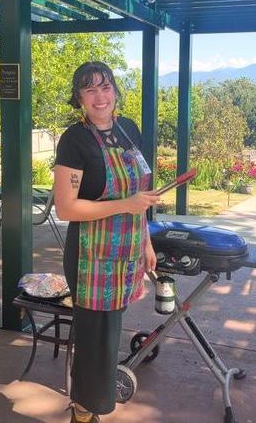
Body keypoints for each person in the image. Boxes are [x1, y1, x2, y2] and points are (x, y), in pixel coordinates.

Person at [54, 61, 159, 423]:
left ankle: (90, 406)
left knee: (110, 334)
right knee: (94, 340)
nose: (100, 97)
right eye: (90, 90)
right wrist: (125, 205)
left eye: (105, 87)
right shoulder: (74, 140)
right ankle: (84, 412)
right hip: (91, 256)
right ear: (79, 98)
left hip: (126, 251)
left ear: (115, 90)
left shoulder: (128, 129)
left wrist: (146, 242)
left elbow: (139, 195)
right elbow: (66, 208)